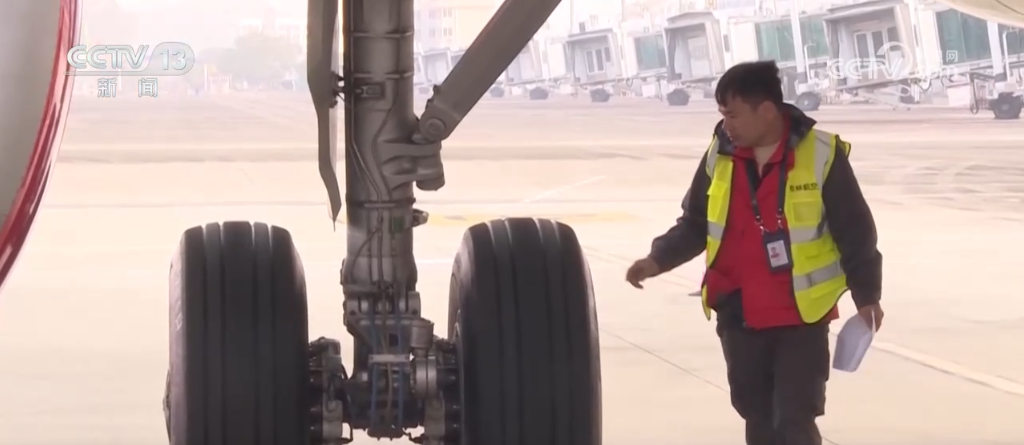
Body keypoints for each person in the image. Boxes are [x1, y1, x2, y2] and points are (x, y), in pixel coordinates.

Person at [625, 61, 883, 445]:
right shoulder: (720, 154)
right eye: (722, 114)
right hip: (739, 315)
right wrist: (656, 259)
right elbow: (695, 222)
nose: (725, 124)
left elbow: (855, 231)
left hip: (800, 317)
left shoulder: (822, 154)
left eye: (733, 115)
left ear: (766, 110)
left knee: (794, 420)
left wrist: (867, 297)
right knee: (757, 419)